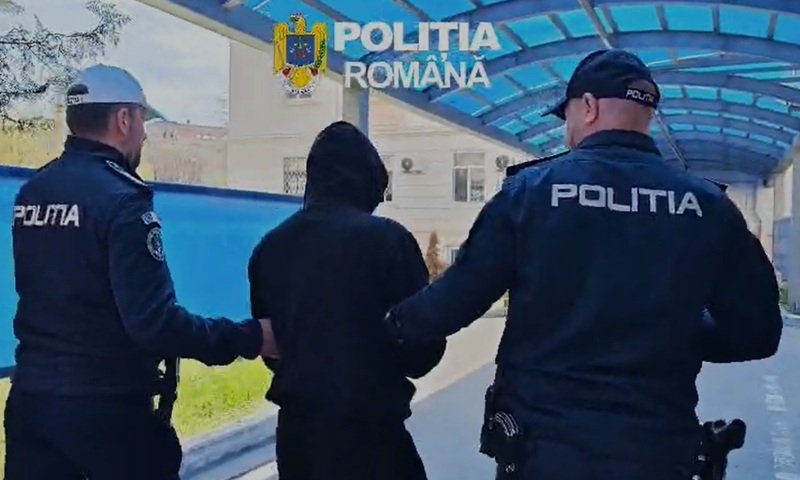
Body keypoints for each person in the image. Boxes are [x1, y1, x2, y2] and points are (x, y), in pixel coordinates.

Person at [383, 49, 783, 480]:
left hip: (544, 454)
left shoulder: (530, 194)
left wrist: (389, 324)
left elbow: (454, 302)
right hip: (658, 452)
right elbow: (757, 333)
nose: (567, 132)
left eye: (567, 115)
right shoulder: (708, 205)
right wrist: (675, 329)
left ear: (588, 106)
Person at [5, 64, 276, 480]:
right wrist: (251, 337)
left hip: (32, 406)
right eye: (143, 120)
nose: (145, 134)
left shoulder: (35, 192)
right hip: (106, 414)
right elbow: (154, 324)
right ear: (124, 120)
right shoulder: (122, 200)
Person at [248, 120, 446, 480]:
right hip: (374, 440)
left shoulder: (270, 248)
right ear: (369, 182)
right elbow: (422, 352)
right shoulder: (389, 241)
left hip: (298, 444)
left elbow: (273, 349)